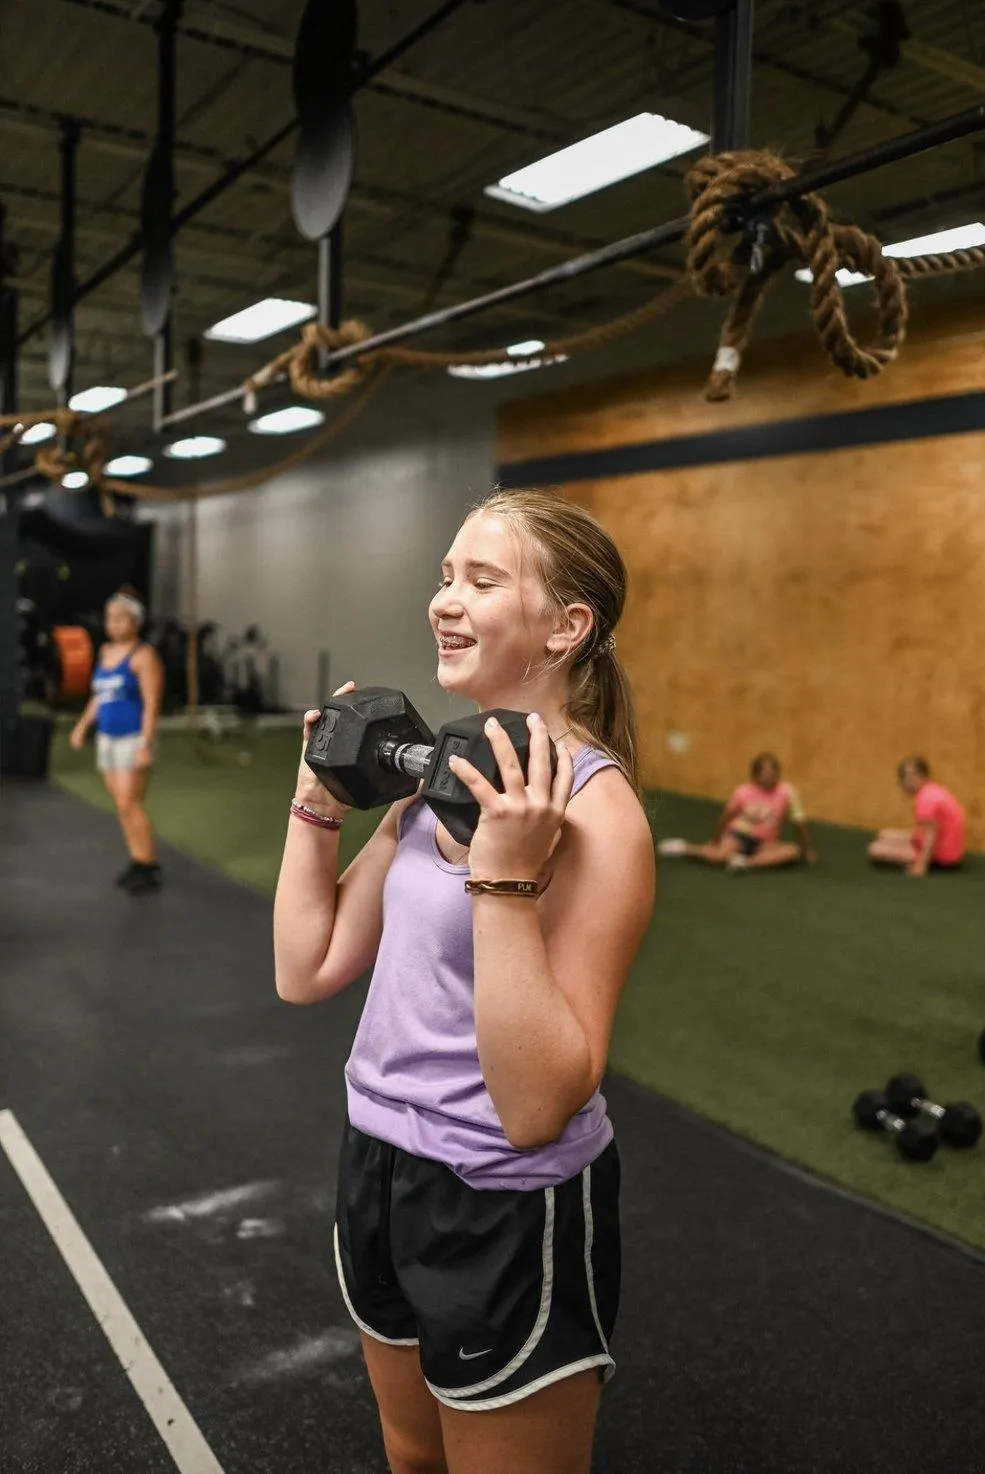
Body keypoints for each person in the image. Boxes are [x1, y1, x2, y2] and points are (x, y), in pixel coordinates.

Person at [274, 489, 656, 1474]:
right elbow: (306, 968)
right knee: (410, 1455)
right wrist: (314, 807)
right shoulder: (442, 768)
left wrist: (501, 876)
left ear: (568, 626)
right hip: (378, 1163)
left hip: (501, 1195)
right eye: (445, 575)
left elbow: (535, 1103)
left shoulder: (596, 815)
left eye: (481, 580)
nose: (444, 599)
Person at [70, 588, 165, 893]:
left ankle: (148, 864)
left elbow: (151, 703)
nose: (112, 624)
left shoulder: (143, 656)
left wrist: (146, 745)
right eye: (109, 618)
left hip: (132, 738)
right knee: (121, 805)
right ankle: (137, 858)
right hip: (107, 740)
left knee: (129, 802)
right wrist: (82, 726)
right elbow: (99, 697)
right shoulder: (105, 653)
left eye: (119, 618)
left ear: (134, 622)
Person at [657, 752, 815, 871]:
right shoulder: (743, 792)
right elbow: (726, 817)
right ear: (755, 774)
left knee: (792, 851)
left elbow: (799, 821)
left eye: (772, 773)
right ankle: (685, 848)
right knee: (719, 857)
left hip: (766, 842)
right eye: (764, 773)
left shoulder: (788, 792)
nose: (769, 777)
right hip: (739, 835)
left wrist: (807, 849)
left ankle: (745, 862)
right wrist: (716, 839)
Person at [867, 757, 966, 876]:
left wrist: (920, 866)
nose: (907, 782)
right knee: (884, 834)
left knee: (875, 849)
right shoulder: (931, 790)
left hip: (942, 856)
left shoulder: (926, 799)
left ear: (923, 775)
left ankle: (923, 859)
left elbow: (931, 834)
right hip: (942, 847)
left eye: (912, 776)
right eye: (904, 777)